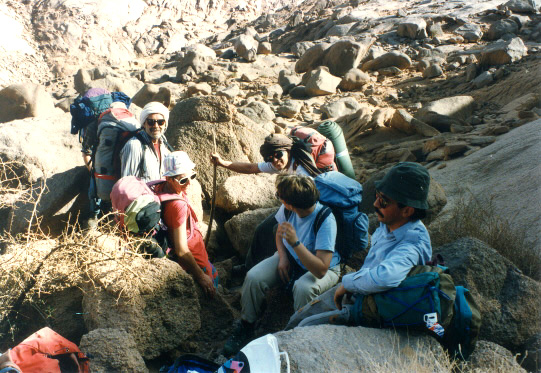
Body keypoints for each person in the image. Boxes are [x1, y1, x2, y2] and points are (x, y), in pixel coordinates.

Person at [285, 162, 432, 330]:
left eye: (384, 201)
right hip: (360, 288)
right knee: (300, 316)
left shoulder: (412, 244)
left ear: (407, 211)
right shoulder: (391, 222)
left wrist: (348, 283)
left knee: (305, 325)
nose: (376, 204)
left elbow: (385, 277)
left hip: (375, 305)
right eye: (377, 196)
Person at [222, 174, 340, 356]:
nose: (279, 199)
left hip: (322, 267)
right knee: (254, 277)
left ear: (291, 203)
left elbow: (321, 269)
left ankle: (299, 335)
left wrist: (295, 243)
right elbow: (279, 232)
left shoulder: (325, 220)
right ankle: (247, 324)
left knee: (303, 288)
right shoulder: (288, 211)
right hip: (292, 257)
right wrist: (283, 256)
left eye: (280, 196)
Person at [211, 134, 322, 272]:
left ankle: (281, 265)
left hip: (303, 210)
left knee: (277, 231)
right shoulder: (281, 162)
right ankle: (249, 266)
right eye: (270, 158)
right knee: (261, 230)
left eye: (278, 154)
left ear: (287, 150)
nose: (275, 160)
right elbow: (250, 168)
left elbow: (308, 203)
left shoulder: (302, 172)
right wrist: (223, 163)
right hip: (290, 205)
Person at [153, 151, 218, 297]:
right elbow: (182, 250)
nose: (189, 183)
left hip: (195, 250)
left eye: (192, 176)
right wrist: (201, 277)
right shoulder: (177, 206)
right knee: (212, 284)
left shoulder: (162, 188)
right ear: (168, 178)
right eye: (183, 180)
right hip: (193, 257)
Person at [120, 101, 172, 182]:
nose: (156, 126)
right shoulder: (134, 146)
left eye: (160, 122)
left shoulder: (163, 143)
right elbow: (127, 185)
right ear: (144, 124)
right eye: (151, 122)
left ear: (165, 124)